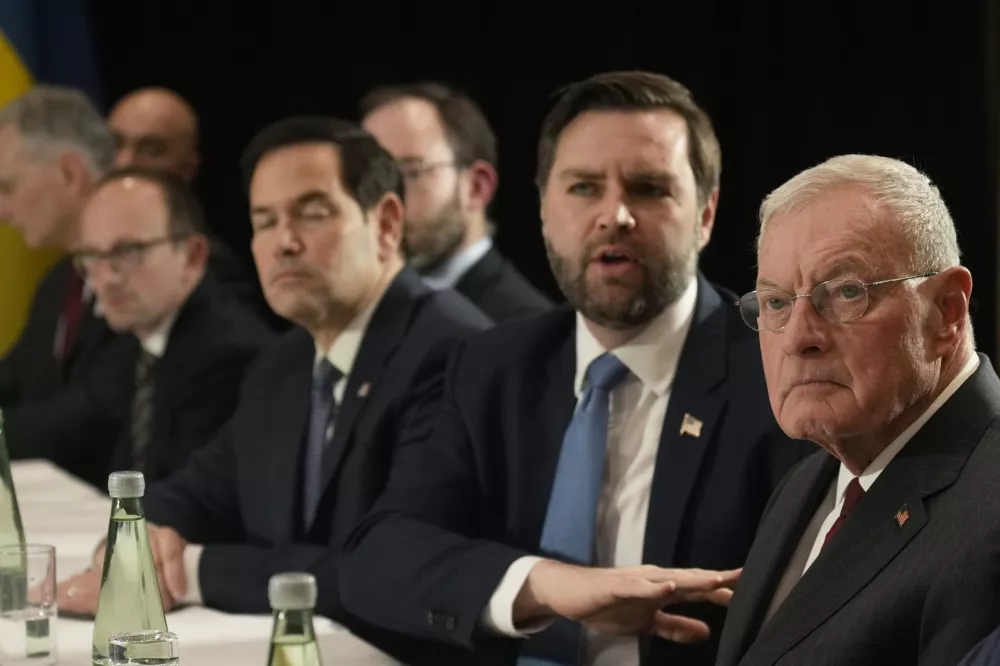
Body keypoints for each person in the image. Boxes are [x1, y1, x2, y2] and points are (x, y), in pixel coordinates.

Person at [339, 71, 809, 666]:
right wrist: (543, 586)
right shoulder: (491, 367)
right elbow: (379, 557)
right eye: (584, 188)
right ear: (544, 209)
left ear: (706, 214)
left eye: (649, 188)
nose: (615, 215)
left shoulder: (775, 370)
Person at [56, 117, 491, 654]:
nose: (283, 243)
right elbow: (198, 489)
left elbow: (385, 570)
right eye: (264, 221)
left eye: (312, 214)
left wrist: (190, 570)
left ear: (385, 223)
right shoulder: (283, 364)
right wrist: (138, 537)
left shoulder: (450, 353)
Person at [714, 155, 1000, 666]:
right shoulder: (807, 483)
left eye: (846, 293)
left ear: (946, 312)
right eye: (776, 302)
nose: (798, 338)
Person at [74, 166, 274, 483]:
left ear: (192, 256)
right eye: (92, 256)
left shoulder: (228, 357)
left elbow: (191, 495)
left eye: (129, 251)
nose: (107, 278)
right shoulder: (133, 341)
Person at [0, 85, 133, 488]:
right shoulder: (60, 282)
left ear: (70, 173)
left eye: (8, 187)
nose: (2, 211)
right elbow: (13, 380)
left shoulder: (154, 271)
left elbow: (97, 412)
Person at [361, 82, 552, 321]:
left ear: (476, 187)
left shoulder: (527, 327)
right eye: (371, 180)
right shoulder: (362, 313)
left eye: (410, 173)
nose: (383, 204)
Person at [108, 86, 267, 321]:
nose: (124, 162)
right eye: (115, 144)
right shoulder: (73, 266)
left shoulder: (209, 270)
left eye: (150, 150)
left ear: (187, 169)